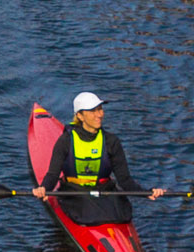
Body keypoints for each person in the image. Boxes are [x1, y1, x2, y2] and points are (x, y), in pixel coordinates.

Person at [34, 90, 166, 224]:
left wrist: (146, 193)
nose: (100, 115)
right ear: (80, 116)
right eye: (93, 111)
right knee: (90, 212)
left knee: (122, 214)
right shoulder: (65, 141)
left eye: (100, 109)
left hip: (103, 191)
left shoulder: (111, 141)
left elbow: (125, 180)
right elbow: (52, 175)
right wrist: (44, 188)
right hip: (74, 192)